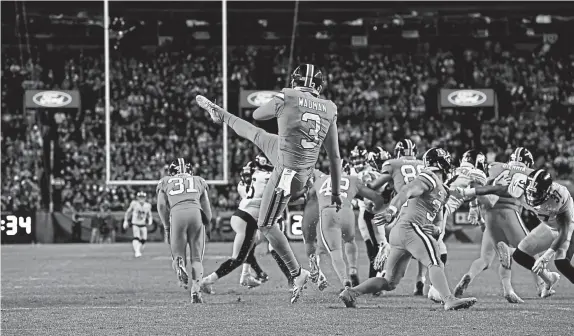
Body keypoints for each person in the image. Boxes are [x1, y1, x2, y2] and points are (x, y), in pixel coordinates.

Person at [196, 63, 342, 303]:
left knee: (265, 224)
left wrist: (280, 102)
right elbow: (335, 156)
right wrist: (335, 192)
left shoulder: (288, 95)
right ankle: (219, 113)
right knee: (257, 135)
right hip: (300, 168)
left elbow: (257, 114)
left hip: (287, 172)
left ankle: (298, 273)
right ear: (319, 86)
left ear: (296, 81)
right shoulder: (329, 108)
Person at [340, 148, 477, 311]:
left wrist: (436, 230)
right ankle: (449, 299)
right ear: (440, 162)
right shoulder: (429, 177)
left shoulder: (442, 189)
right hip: (410, 227)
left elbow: (439, 220)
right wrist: (391, 210)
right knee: (434, 261)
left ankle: (351, 293)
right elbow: (406, 190)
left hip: (401, 232)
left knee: (390, 282)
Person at [458, 169, 573, 297]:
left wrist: (546, 257)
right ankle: (548, 279)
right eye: (530, 192)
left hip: (569, 227)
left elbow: (564, 231)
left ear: (547, 192)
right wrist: (466, 192)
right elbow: (496, 189)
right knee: (520, 255)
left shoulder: (560, 196)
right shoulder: (521, 187)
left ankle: (542, 276)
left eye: (537, 193)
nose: (532, 196)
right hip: (549, 227)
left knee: (561, 262)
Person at [454, 147, 543, 300]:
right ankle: (542, 286)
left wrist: (474, 207)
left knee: (485, 259)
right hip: (509, 214)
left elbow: (479, 186)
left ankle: (471, 275)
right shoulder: (529, 174)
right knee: (531, 250)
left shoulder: (496, 167)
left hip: (490, 214)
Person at [201, 155, 271, 293]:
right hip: (247, 219)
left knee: (252, 244)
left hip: (244, 216)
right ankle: (207, 281)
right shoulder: (265, 177)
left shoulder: (249, 182)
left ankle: (246, 275)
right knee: (237, 258)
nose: (245, 176)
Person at [308, 168, 386, 289]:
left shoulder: (320, 180)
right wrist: (374, 209)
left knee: (335, 251)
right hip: (346, 211)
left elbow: (309, 196)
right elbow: (376, 198)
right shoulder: (353, 179)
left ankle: (345, 282)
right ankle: (353, 270)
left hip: (328, 212)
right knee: (350, 240)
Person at [368, 139, 428, 296]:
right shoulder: (424, 164)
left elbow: (375, 186)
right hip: (425, 209)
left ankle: (382, 270)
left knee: (392, 241)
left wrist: (368, 183)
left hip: (402, 209)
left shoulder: (392, 163)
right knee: (428, 247)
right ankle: (421, 279)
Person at [157, 158, 212, 303]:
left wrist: (166, 226)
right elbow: (207, 209)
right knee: (196, 258)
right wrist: (206, 222)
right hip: (195, 213)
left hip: (177, 214)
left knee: (177, 254)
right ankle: (195, 290)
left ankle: (180, 263)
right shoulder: (198, 180)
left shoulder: (165, 182)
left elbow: (161, 206)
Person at [123, 191, 153, 257]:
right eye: (140, 197)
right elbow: (128, 212)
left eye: (143, 197)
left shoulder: (148, 205)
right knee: (136, 237)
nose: (141, 198)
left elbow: (149, 214)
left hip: (143, 224)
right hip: (135, 223)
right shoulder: (134, 203)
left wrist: (150, 220)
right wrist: (125, 220)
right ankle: (137, 252)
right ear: (137, 197)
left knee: (144, 240)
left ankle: (138, 250)